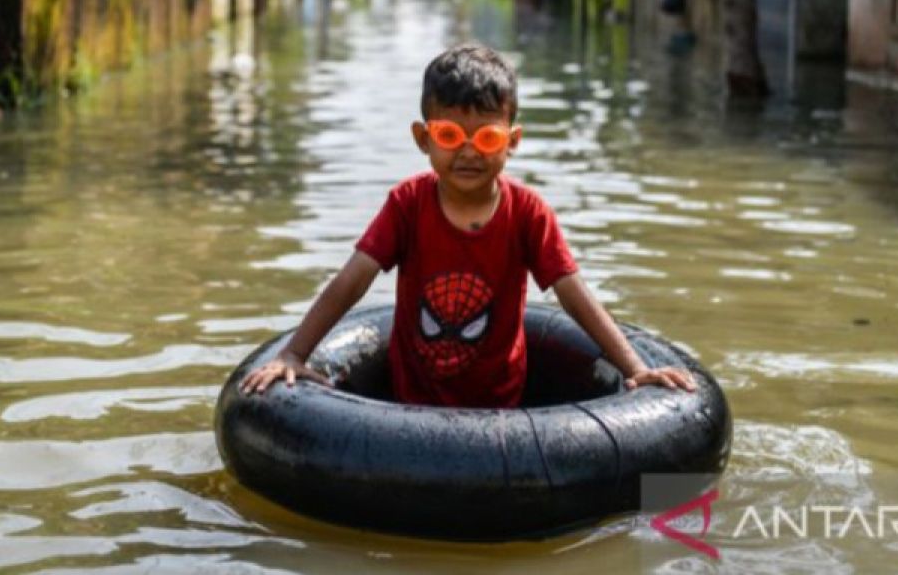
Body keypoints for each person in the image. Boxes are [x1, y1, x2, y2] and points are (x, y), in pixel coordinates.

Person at [240, 44, 696, 406]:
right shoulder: (407, 205)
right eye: (450, 136)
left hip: (501, 410)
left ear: (512, 142)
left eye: (488, 137)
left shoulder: (528, 213)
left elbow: (575, 297)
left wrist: (635, 368)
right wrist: (294, 354)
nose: (469, 152)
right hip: (409, 406)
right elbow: (351, 280)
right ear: (424, 139)